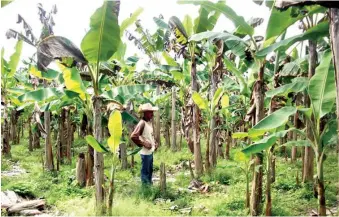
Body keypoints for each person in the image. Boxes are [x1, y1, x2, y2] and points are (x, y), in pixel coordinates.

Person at [130, 103, 159, 185]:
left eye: (152, 112)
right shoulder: (142, 123)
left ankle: (149, 188)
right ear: (145, 113)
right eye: (150, 112)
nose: (152, 114)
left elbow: (149, 136)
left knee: (149, 171)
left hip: (150, 152)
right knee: (145, 172)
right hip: (145, 153)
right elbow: (133, 136)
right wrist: (143, 143)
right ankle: (145, 189)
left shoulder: (148, 123)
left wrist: (154, 143)